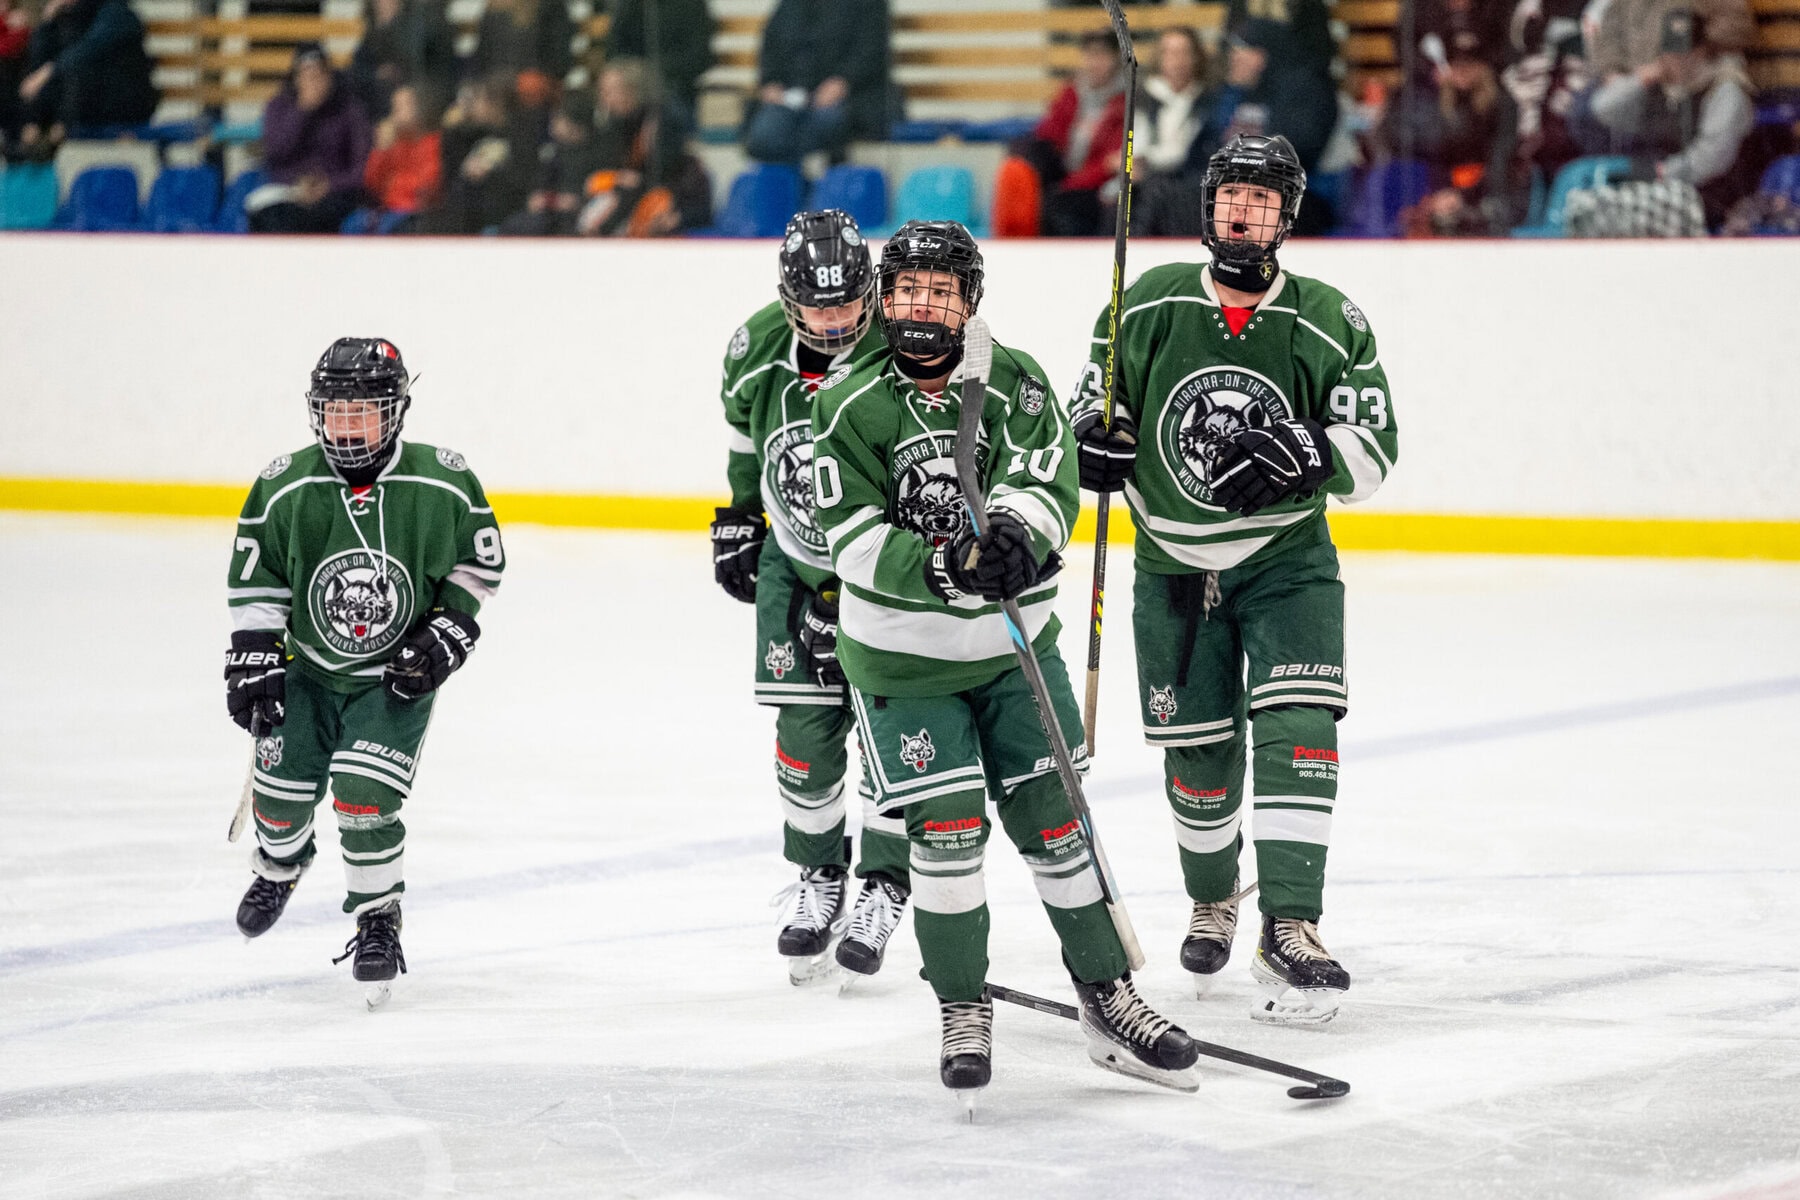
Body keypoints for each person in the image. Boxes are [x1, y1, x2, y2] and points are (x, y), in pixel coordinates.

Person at [810, 220, 1201, 1097]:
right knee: (946, 844)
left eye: (942, 291)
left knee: (1060, 830)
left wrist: (1023, 531)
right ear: (884, 296)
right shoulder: (844, 402)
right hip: (904, 666)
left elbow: (1044, 472)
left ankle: (1109, 997)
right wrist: (948, 563)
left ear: (969, 302)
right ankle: (961, 1003)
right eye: (908, 289)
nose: (923, 305)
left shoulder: (1014, 380)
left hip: (1012, 650)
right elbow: (856, 544)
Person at [1071, 135, 1399, 1027]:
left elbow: (1375, 452)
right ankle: (1214, 897)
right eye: (1230, 196)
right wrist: (1090, 445)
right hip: (1171, 566)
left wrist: (1310, 453)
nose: (1242, 213)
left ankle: (1291, 923)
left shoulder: (1329, 316)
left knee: (1299, 727)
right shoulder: (1145, 304)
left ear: (1288, 215)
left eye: (1262, 199)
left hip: (1285, 565)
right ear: (1207, 205)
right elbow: (1091, 407)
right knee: (1201, 760)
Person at [224, 337, 504, 1006]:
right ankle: (281, 863)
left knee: (362, 795)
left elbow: (479, 563)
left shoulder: (443, 479)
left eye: (364, 413)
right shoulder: (284, 482)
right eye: (335, 412)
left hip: (393, 679)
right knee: (281, 798)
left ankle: (378, 917)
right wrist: (255, 650)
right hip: (309, 669)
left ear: (397, 412)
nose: (348, 428)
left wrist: (449, 626)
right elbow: (258, 575)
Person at [712, 209, 909, 985]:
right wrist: (736, 514)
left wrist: (852, 588)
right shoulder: (756, 348)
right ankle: (820, 873)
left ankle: (887, 880)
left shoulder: (899, 349)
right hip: (792, 560)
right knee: (805, 735)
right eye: (817, 308)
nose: (834, 321)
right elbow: (741, 436)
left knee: (889, 725)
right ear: (790, 302)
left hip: (888, 575)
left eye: (847, 304)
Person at [744, 0, 891, 166]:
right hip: (789, 99)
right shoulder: (790, 5)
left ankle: (816, 184)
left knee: (828, 124)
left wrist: (843, 81)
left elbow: (872, 51)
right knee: (764, 135)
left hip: (851, 98)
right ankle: (806, 185)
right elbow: (771, 44)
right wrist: (770, 83)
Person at [1012, 29, 1127, 236]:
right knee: (1028, 153)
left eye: (1101, 55)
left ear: (1115, 59)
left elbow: (1110, 162)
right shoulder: (1073, 91)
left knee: (1058, 205)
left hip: (1094, 185)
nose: (1094, 62)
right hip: (1066, 174)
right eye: (1090, 55)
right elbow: (1049, 132)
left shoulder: (1124, 100)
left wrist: (1068, 184)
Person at [13, 0, 158, 161]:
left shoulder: (117, 12)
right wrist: (47, 23)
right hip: (89, 102)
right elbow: (42, 57)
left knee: (74, 72)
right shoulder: (73, 14)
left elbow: (88, 51)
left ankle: (56, 133)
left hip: (125, 102)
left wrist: (47, 72)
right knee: (33, 73)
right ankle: (32, 130)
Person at [252, 45, 372, 234]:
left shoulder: (349, 110)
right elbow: (275, 153)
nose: (314, 83)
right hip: (287, 191)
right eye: (308, 76)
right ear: (297, 79)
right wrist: (302, 112)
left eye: (319, 75)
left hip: (334, 194)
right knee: (269, 215)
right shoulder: (279, 107)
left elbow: (363, 167)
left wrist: (329, 185)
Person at [346, 0, 455, 119]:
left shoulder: (422, 25)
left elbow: (427, 71)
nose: (383, 3)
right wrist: (376, 75)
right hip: (381, 105)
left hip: (418, 102)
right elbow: (357, 72)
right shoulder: (373, 34)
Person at [360, 82, 443, 231]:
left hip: (412, 213)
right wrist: (381, 150)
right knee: (352, 225)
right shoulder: (393, 143)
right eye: (395, 107)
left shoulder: (433, 143)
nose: (397, 113)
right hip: (386, 210)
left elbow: (429, 185)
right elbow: (372, 184)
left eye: (404, 106)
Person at [1136, 26, 1210, 178]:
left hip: (1190, 179)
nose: (1177, 60)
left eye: (1184, 52)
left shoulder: (1207, 100)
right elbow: (1136, 145)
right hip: (1146, 180)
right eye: (1169, 52)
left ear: (1196, 57)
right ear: (1159, 57)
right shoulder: (1143, 96)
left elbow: (1188, 152)